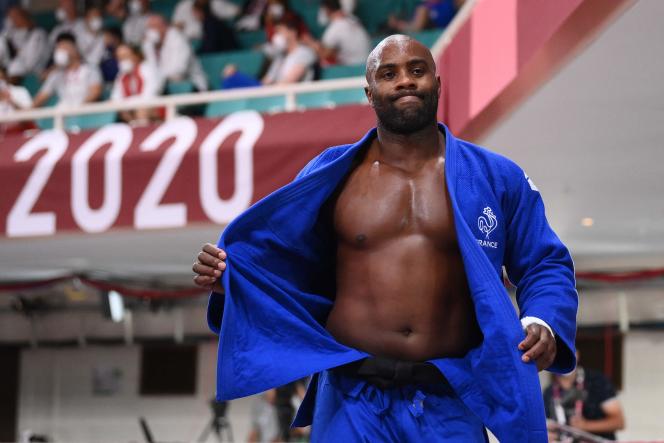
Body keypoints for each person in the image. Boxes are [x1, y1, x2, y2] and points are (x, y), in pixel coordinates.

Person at [193, 35, 578, 441]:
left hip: (448, 395)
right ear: (369, 92)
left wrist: (543, 321)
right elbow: (281, 262)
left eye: (417, 70)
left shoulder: (496, 177)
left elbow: (545, 263)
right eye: (388, 73)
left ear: (437, 83)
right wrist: (232, 281)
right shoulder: (332, 174)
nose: (405, 81)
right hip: (351, 397)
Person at [544, 356, 625, 441]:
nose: (561, 357)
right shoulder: (548, 392)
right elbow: (548, 425)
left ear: (577, 354)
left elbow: (619, 422)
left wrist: (586, 425)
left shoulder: (597, 382)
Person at [33, 32, 102, 108]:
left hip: (84, 113)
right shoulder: (56, 74)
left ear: (75, 49)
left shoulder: (90, 69)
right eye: (58, 48)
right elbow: (41, 97)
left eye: (64, 47)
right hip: (63, 114)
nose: (60, 51)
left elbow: (95, 92)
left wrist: (77, 109)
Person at [141, 14, 208, 91]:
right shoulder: (153, 45)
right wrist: (148, 48)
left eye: (153, 27)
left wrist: (159, 75)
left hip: (192, 86)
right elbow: (149, 70)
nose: (150, 31)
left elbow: (178, 71)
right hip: (167, 87)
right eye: (148, 28)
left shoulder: (178, 39)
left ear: (164, 26)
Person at [110, 43, 163, 124]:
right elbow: (115, 99)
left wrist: (127, 103)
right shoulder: (121, 76)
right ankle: (134, 128)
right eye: (119, 58)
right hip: (132, 111)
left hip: (154, 108)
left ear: (136, 56)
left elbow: (148, 97)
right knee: (121, 112)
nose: (122, 61)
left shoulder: (148, 68)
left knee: (141, 109)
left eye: (125, 56)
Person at [306, 0, 370, 66]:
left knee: (324, 62)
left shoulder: (336, 26)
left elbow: (324, 54)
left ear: (326, 10)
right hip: (366, 64)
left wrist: (310, 43)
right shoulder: (352, 19)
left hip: (354, 69)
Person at [0, 6, 49, 78]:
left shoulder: (38, 34)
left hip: (31, 74)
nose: (13, 19)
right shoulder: (8, 34)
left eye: (16, 16)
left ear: (23, 16)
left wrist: (16, 51)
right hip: (8, 71)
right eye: (11, 16)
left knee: (15, 67)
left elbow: (30, 64)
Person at [172, 0, 240, 41]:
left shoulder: (216, 3)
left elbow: (237, 11)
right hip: (191, 39)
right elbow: (176, 27)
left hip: (214, 41)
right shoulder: (183, 6)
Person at [389, 0, 464, 33]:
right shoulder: (423, 8)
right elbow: (415, 28)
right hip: (436, 32)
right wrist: (397, 25)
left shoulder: (451, 2)